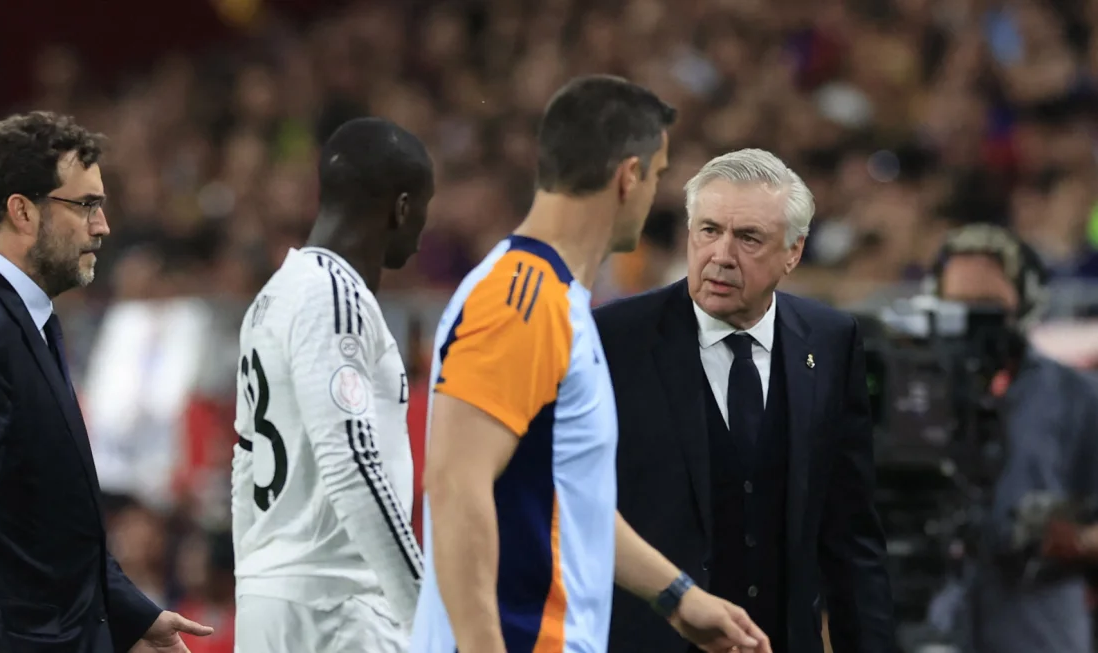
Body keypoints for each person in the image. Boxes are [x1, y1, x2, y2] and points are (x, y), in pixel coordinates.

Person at [412, 75, 772, 653]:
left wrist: (678, 596)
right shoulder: (520, 299)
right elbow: (455, 484)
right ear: (629, 176)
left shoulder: (552, 299)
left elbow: (571, 500)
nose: (658, 192)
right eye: (658, 175)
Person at [0, 112, 213, 653]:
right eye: (87, 205)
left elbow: (43, 516)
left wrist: (130, 614)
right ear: (22, 211)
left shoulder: (22, 318)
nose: (103, 226)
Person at [594, 148, 895, 653]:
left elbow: (850, 535)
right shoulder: (614, 339)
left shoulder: (830, 339)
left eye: (749, 238)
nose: (722, 255)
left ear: (793, 253)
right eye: (708, 230)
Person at [231, 117, 431, 653]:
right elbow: (353, 463)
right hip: (335, 610)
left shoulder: (272, 297)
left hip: (274, 604)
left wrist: (253, 582)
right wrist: (427, 613)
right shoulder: (333, 295)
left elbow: (244, 461)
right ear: (402, 207)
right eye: (423, 212)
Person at [922, 224, 1098, 653]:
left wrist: (1078, 541)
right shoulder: (913, 393)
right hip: (935, 621)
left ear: (1026, 304)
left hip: (1039, 624)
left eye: (987, 308)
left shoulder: (1077, 395)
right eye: (957, 307)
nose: (972, 324)